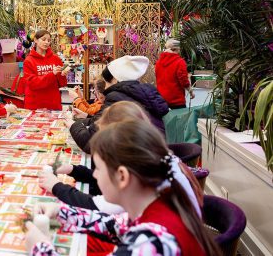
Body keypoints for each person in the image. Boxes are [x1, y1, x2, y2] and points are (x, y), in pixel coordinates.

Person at [26, 119, 220, 256]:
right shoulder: (158, 203)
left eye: (98, 168)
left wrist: (40, 248)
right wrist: (60, 212)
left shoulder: (151, 241)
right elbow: (113, 224)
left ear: (122, 176)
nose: (94, 175)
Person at [41, 102, 201, 215]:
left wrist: (56, 186)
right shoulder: (147, 158)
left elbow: (95, 205)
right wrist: (73, 170)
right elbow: (110, 178)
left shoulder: (139, 187)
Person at [70, 55, 169, 153]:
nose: (105, 87)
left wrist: (72, 125)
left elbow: (91, 141)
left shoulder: (116, 97)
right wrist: (86, 117)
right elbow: (102, 121)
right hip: (152, 155)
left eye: (106, 82)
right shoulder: (141, 95)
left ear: (115, 79)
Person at [23, 29, 68, 110]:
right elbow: (32, 84)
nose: (46, 42)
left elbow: (62, 84)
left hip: (53, 103)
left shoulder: (55, 59)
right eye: (43, 39)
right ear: (36, 40)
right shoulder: (29, 61)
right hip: (35, 104)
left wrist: (62, 75)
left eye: (49, 40)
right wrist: (52, 74)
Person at [155, 38, 195, 108]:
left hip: (162, 99)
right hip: (177, 99)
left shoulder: (158, 63)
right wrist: (191, 91)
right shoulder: (180, 62)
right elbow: (184, 81)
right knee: (181, 115)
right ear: (177, 49)